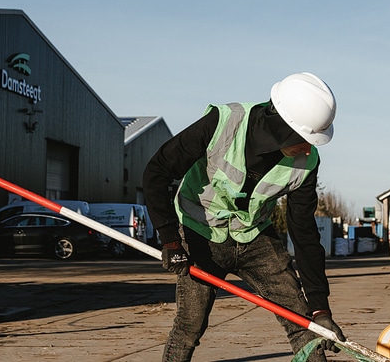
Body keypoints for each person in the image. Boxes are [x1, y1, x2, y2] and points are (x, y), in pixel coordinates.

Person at [143, 72, 342, 361]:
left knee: (301, 322)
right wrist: (170, 239)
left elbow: (305, 234)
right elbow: (157, 171)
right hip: (200, 233)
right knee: (189, 325)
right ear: (282, 125)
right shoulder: (222, 123)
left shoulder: (307, 162)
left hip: (254, 236)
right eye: (305, 138)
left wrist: (320, 308)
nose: (308, 148)